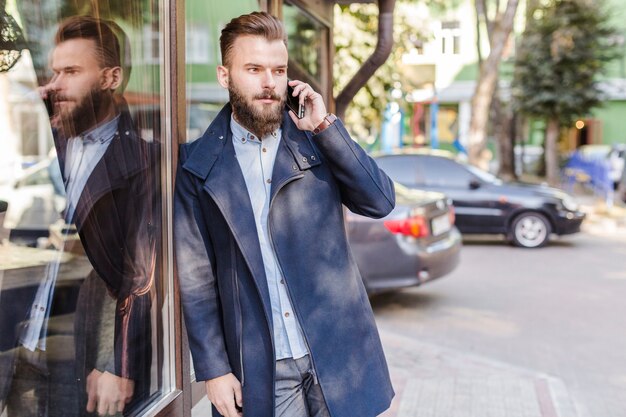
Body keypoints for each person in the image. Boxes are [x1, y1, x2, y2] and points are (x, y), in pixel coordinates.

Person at [174, 11, 395, 417]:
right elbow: (196, 276)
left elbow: (379, 201)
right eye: (254, 69)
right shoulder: (198, 164)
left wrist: (326, 127)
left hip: (337, 355)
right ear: (225, 76)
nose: (268, 82)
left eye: (278, 70)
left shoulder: (315, 140)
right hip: (263, 366)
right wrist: (214, 369)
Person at [2, 16, 158, 417]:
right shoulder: (59, 135)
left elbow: (141, 273)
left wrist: (117, 363)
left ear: (111, 77)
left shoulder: (140, 161)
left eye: (71, 72)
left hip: (77, 352)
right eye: (55, 71)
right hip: (24, 343)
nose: (55, 84)